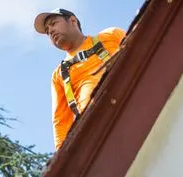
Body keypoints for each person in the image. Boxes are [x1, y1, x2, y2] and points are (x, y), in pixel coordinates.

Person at [35, 9, 127, 151]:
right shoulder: (59, 75)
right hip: (100, 133)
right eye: (47, 31)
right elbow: (61, 121)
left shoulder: (111, 35)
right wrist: (62, 158)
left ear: (72, 21)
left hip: (132, 102)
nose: (51, 31)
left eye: (53, 24)